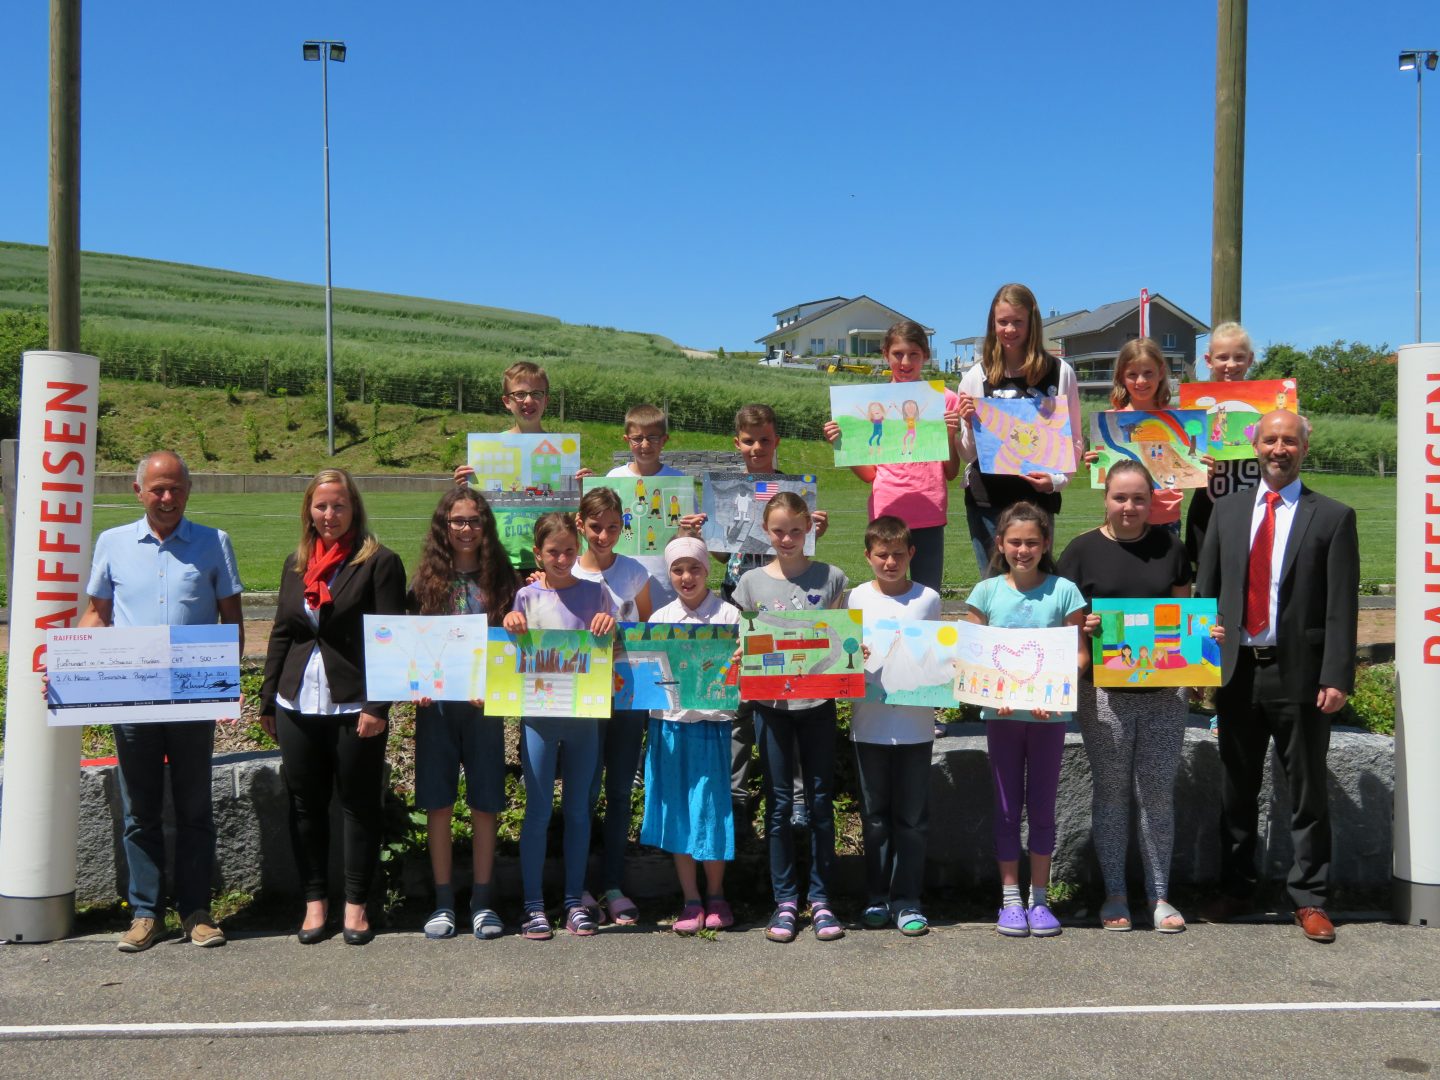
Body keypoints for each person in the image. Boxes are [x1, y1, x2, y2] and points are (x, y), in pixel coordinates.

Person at [1196, 410, 1359, 943]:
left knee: (1306, 791)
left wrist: (1336, 675)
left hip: (1302, 676)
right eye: (1271, 440)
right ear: (1256, 446)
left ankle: (1310, 898)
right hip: (1238, 672)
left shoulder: (1333, 517)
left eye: (1290, 440)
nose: (1279, 449)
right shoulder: (1227, 511)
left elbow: (1341, 607)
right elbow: (1207, 592)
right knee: (1235, 789)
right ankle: (1238, 888)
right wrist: (1202, 659)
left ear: (1304, 448)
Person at [81, 451, 243, 952]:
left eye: (175, 488)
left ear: (188, 490)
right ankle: (146, 912)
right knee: (139, 810)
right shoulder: (112, 543)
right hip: (134, 700)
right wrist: (72, 667)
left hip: (191, 698)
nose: (167, 498)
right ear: (138, 492)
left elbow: (231, 622)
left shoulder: (215, 543)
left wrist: (220, 676)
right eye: (157, 489)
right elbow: (96, 616)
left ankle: (196, 910)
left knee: (196, 806)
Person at [260, 468, 407, 946]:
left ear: (354, 509)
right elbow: (283, 632)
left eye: (338, 505)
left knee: (359, 805)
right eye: (321, 506)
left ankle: (357, 906)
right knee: (305, 805)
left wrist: (377, 704)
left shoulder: (379, 562)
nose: (329, 514)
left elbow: (389, 638)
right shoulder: (295, 563)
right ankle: (314, 903)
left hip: (354, 704)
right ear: (309, 510)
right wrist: (267, 700)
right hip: (297, 700)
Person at [1057, 460, 1206, 933]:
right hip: (1104, 695)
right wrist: (1084, 625)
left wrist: (1207, 636)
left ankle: (1159, 895)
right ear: (1105, 496)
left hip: (1164, 694)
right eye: (1120, 497)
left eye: (1139, 498)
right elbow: (1064, 625)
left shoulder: (1171, 547)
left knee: (1157, 794)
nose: (1129, 507)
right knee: (1112, 793)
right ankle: (1115, 893)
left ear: (1153, 500)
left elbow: (1185, 612)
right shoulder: (1081, 551)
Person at [732, 492, 849, 943]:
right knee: (780, 804)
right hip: (772, 708)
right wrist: (744, 652)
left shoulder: (832, 578)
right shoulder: (750, 584)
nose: (787, 538)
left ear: (810, 530)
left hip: (819, 705)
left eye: (796, 530)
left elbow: (841, 639)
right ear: (766, 531)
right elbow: (748, 642)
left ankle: (820, 900)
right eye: (779, 530)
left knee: (820, 802)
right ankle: (784, 901)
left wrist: (854, 652)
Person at [965, 502, 1087, 937]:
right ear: (1000, 544)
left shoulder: (1065, 592)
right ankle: (1010, 899)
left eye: (1032, 542)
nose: (1023, 550)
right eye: (1015, 542)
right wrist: (985, 692)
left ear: (1045, 543)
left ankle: (1040, 899)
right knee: (1004, 806)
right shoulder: (985, 593)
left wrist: (1053, 689)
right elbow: (973, 654)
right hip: (1002, 718)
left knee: (1042, 807)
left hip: (1048, 719)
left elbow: (1079, 654)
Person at [710, 404, 829, 839]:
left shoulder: (794, 493)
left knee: (791, 693)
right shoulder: (725, 490)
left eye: (764, 439)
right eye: (748, 440)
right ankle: (737, 797)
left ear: (776, 440)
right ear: (737, 444)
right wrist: (701, 530)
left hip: (786, 606)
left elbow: (803, 548)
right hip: (739, 600)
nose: (756, 447)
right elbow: (723, 553)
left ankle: (797, 796)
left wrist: (818, 529)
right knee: (740, 702)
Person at [407, 487, 517, 941]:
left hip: (484, 709)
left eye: (474, 520)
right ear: (444, 527)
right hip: (436, 712)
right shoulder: (425, 581)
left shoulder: (504, 579)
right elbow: (410, 643)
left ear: (485, 525)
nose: (466, 528)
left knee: (486, 801)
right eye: (458, 521)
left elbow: (513, 649)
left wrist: (495, 683)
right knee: (438, 802)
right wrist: (415, 685)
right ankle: (443, 900)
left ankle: (483, 900)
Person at [502, 512, 617, 940]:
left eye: (570, 550)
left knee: (578, 811)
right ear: (538, 554)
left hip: (584, 717)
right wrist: (511, 624)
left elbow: (613, 645)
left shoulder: (595, 591)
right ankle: (532, 905)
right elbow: (510, 651)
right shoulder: (526, 598)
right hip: (539, 719)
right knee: (536, 811)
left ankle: (573, 901)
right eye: (554, 552)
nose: (563, 558)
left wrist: (610, 625)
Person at [640, 535, 741, 934]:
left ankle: (717, 895)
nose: (687, 577)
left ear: (708, 570)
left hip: (713, 724)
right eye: (678, 570)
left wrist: (738, 661)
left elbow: (742, 673)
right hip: (669, 724)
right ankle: (690, 899)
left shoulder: (730, 617)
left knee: (713, 808)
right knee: (677, 809)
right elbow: (646, 676)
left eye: (694, 568)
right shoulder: (660, 619)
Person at [846, 515, 942, 936]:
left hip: (917, 726)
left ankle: (907, 900)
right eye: (881, 555)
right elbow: (845, 658)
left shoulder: (929, 599)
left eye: (898, 555)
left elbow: (937, 657)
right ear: (868, 556)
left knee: (912, 819)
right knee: (875, 818)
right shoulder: (855, 598)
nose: (890, 562)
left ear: (911, 555)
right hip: (869, 724)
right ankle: (876, 896)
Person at [822, 320, 961, 594]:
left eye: (914, 354)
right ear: (885, 354)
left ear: (926, 356)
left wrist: (949, 436)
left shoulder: (945, 400)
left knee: (927, 595)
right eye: (898, 354)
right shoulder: (868, 403)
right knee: (886, 596)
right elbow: (869, 475)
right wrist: (843, 446)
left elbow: (952, 471)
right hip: (886, 510)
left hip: (929, 510)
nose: (905, 362)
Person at [956, 283, 1085, 573]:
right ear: (993, 324)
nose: (1010, 330)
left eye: (1018, 322)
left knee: (1036, 588)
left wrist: (1055, 481)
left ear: (1032, 323)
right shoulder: (977, 375)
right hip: (987, 501)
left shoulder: (1060, 372)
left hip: (1038, 500)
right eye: (1003, 322)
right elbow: (967, 454)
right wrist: (966, 423)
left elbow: (1074, 439)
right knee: (993, 591)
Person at [572, 485, 653, 927]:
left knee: (620, 791)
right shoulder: (566, 573)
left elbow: (645, 630)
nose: (604, 536)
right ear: (580, 525)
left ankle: (615, 883)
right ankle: (579, 886)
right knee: (583, 792)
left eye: (613, 527)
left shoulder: (635, 572)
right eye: (596, 527)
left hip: (628, 695)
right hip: (582, 696)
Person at [606, 402, 702, 608]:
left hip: (666, 584)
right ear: (627, 440)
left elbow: (691, 537)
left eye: (653, 437)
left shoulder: (679, 482)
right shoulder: (613, 478)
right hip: (621, 583)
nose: (645, 445)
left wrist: (695, 530)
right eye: (637, 438)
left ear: (664, 440)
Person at [1083, 337, 1185, 531]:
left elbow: (1189, 464)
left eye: (1148, 373)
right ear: (1121, 376)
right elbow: (1108, 481)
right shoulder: (1109, 423)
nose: (1141, 381)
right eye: (1132, 374)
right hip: (1122, 519)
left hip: (1166, 519)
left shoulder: (1179, 419)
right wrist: (1097, 464)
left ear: (1161, 372)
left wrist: (1203, 466)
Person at [1185, 322, 1261, 568]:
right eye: (1222, 357)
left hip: (1255, 507)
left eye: (1239, 357)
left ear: (1250, 360)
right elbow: (1181, 458)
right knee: (1207, 585)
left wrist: (1298, 429)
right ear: (1209, 360)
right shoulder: (1194, 405)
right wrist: (1195, 465)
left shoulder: (1269, 403)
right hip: (1208, 507)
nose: (1231, 364)